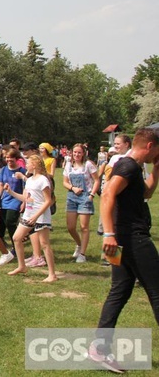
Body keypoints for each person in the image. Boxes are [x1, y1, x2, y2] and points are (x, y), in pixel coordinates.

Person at [95, 128, 159, 345]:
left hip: (122, 239)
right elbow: (107, 194)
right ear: (150, 146)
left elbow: (144, 194)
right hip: (132, 238)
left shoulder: (135, 167)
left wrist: (157, 170)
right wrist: (108, 234)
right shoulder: (128, 166)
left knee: (120, 291)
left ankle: (100, 349)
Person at [3, 154, 57, 282]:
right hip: (29, 214)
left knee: (44, 244)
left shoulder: (43, 180)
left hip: (41, 215)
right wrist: (10, 192)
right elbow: (25, 199)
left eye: (28, 163)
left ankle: (52, 274)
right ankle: (22, 266)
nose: (25, 165)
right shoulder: (29, 180)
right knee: (17, 238)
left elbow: (48, 201)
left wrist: (36, 216)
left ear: (35, 165)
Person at [63, 143, 99, 263]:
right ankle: (79, 244)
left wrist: (92, 195)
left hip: (85, 197)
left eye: (79, 152)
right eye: (75, 152)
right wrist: (73, 188)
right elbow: (65, 182)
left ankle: (82, 254)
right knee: (71, 227)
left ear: (83, 153)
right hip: (72, 197)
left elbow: (97, 180)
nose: (76, 154)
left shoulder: (88, 165)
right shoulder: (69, 165)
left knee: (84, 227)